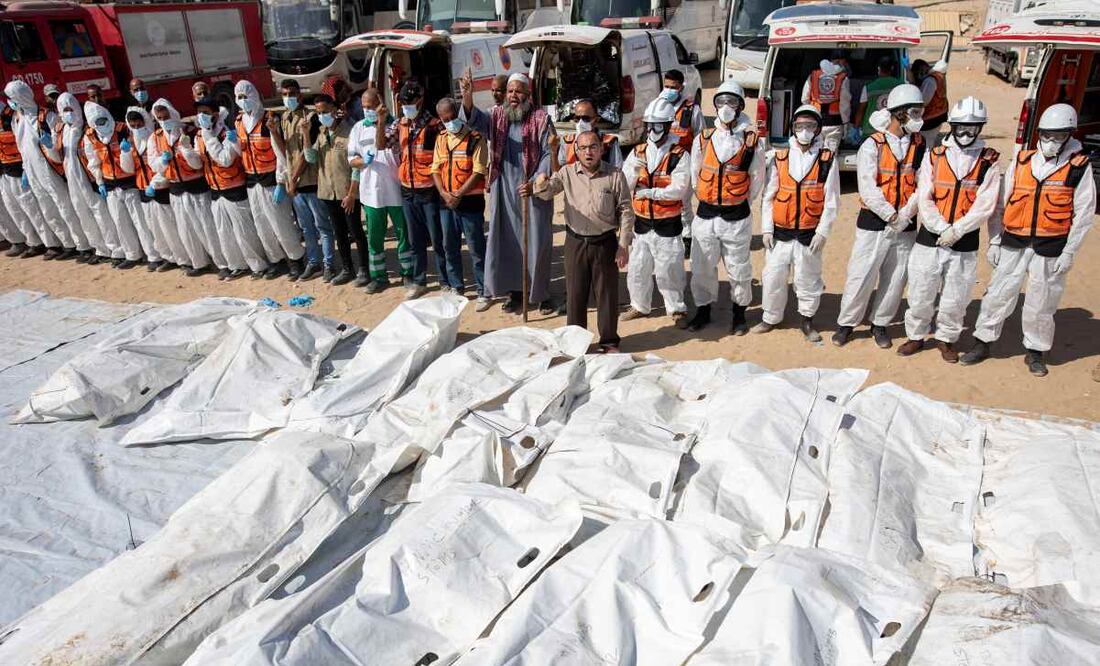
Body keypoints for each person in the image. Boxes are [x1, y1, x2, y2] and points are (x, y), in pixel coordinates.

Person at [960, 104, 1095, 376]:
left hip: (1050, 246)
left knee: (1042, 300)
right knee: (998, 294)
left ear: (1069, 135)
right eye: (1046, 135)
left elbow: (1084, 213)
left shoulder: (1078, 167)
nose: (1051, 141)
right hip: (1014, 240)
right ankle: (983, 341)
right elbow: (1000, 205)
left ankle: (1035, 351)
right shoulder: (1022, 161)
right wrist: (995, 240)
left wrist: (1069, 252)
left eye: (1058, 136)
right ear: (1039, 133)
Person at [899, 97, 1001, 362]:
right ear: (952, 127)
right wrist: (941, 227)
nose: (966, 134)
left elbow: (985, 204)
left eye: (973, 128)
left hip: (964, 241)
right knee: (921, 289)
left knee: (956, 296)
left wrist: (957, 230)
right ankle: (916, 335)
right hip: (930, 237)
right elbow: (925, 195)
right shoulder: (935, 156)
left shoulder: (989, 162)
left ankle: (946, 339)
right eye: (961, 128)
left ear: (980, 128)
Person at [832, 84, 926, 349]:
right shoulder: (872, 145)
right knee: (861, 274)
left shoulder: (920, 145)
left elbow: (923, 184)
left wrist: (905, 216)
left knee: (896, 276)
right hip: (874, 222)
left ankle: (880, 323)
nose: (919, 117)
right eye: (914, 112)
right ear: (899, 114)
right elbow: (867, 187)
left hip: (905, 224)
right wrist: (890, 215)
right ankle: (847, 323)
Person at [529, 130, 633, 352]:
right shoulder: (566, 173)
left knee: (606, 294)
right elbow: (547, 193)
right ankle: (575, 343)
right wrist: (540, 183)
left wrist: (623, 245)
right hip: (575, 242)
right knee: (575, 294)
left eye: (593, 147)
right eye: (583, 148)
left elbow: (625, 210)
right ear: (576, 151)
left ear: (601, 149)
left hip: (605, 243)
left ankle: (608, 341)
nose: (588, 152)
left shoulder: (615, 175)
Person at [753, 105, 839, 342]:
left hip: (808, 235)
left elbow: (831, 202)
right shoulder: (780, 158)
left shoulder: (826, 160)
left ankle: (807, 320)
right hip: (780, 233)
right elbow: (768, 198)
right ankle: (770, 317)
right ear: (792, 128)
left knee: (808, 279)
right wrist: (767, 229)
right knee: (772, 277)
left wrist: (822, 232)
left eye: (810, 126)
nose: (804, 131)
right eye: (800, 126)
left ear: (818, 129)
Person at [686, 80, 765, 334]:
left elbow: (757, 180)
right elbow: (694, 174)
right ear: (715, 105)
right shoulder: (703, 138)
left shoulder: (752, 142)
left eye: (732, 101)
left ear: (741, 106)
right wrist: (710, 198)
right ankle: (703, 311)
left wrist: (735, 199)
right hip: (706, 214)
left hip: (736, 217)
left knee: (739, 268)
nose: (726, 107)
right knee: (701, 266)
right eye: (721, 102)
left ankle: (739, 314)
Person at [620, 98, 690, 327]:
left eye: (657, 126)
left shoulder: (679, 155)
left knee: (669, 268)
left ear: (668, 125)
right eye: (648, 125)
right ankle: (639, 305)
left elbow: (678, 190)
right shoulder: (638, 152)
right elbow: (624, 182)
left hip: (667, 223)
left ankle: (676, 307)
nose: (651, 131)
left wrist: (650, 193)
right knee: (638, 267)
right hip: (641, 223)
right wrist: (635, 177)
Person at [234, 79, 305, 279]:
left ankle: (295, 259)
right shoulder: (239, 122)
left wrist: (282, 181)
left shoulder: (269, 119)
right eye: (239, 98)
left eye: (246, 96)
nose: (243, 101)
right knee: (262, 224)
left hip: (271, 181)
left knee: (280, 223)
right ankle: (276, 260)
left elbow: (280, 154)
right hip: (251, 181)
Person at [3, 80, 81, 260]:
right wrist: (25, 170)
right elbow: (21, 146)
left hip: (49, 169)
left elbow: (58, 144)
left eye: (12, 98)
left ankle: (79, 244)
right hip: (31, 170)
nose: (10, 102)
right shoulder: (17, 118)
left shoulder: (45, 116)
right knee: (46, 209)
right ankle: (62, 244)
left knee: (63, 206)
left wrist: (50, 145)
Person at [84, 100, 163, 271]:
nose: (101, 125)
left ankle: (153, 255)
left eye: (103, 120)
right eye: (97, 123)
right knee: (120, 222)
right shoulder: (91, 136)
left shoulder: (123, 130)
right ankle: (132, 254)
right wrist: (99, 181)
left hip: (129, 183)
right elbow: (93, 162)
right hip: (110, 185)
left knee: (140, 221)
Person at [150, 97, 226, 277]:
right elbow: (153, 164)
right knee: (186, 230)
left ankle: (222, 263)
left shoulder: (191, 132)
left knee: (207, 227)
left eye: (166, 116)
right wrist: (162, 161)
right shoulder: (156, 137)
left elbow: (198, 163)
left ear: (173, 113)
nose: (164, 120)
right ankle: (199, 263)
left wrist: (185, 150)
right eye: (160, 118)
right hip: (176, 189)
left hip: (196, 187)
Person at [348, 88, 412, 293]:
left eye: (370, 107)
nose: (367, 111)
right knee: (374, 237)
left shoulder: (396, 124)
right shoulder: (358, 128)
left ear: (380, 104)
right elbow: (352, 160)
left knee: (404, 233)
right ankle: (379, 277)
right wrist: (361, 163)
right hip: (371, 193)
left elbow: (382, 146)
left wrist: (381, 122)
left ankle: (408, 274)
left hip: (395, 188)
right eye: (364, 107)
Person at [51, 92, 125, 266]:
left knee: (100, 213)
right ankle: (99, 248)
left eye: (71, 108)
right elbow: (59, 155)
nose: (69, 113)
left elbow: (94, 156)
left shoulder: (87, 128)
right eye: (65, 110)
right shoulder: (62, 130)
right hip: (72, 176)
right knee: (82, 212)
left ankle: (115, 249)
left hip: (88, 177)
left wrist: (98, 179)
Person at [391, 80, 448, 300]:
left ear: (420, 101)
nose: (407, 106)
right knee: (415, 240)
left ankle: (444, 281)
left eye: (410, 102)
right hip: (407, 190)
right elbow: (381, 143)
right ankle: (419, 280)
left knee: (437, 239)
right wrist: (380, 120)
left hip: (430, 191)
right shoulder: (400, 124)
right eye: (404, 102)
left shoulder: (435, 125)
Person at [432, 96, 490, 309]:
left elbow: (478, 171)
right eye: (444, 119)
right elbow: (435, 169)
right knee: (450, 246)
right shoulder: (441, 138)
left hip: (470, 203)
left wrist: (458, 195)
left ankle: (484, 290)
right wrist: (445, 194)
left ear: (459, 114)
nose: (449, 122)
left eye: (452, 117)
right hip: (446, 203)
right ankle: (457, 287)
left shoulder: (475, 138)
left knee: (476, 248)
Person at [307, 91, 365, 286]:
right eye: (318, 112)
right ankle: (347, 269)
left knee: (356, 231)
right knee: (339, 232)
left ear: (334, 110)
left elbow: (356, 166)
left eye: (324, 111)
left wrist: (351, 194)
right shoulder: (322, 134)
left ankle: (364, 270)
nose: (321, 115)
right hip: (328, 193)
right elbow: (311, 158)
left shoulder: (349, 132)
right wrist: (307, 135)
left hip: (347, 193)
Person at [278, 79, 332, 282]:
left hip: (309, 180)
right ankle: (313, 262)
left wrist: (293, 179)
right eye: (284, 94)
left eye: (292, 93)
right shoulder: (285, 117)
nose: (288, 98)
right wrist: (274, 131)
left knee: (322, 226)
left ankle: (328, 264)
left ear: (300, 94)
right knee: (306, 227)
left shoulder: (310, 118)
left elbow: (305, 154)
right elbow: (286, 150)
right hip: (295, 184)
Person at [126, 105, 186, 272]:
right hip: (143, 189)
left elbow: (160, 166)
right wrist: (125, 153)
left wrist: (154, 184)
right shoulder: (132, 143)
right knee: (155, 229)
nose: (137, 129)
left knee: (169, 227)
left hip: (160, 188)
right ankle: (166, 257)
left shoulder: (154, 139)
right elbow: (131, 168)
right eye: (133, 126)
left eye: (139, 124)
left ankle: (181, 258)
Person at [659, 69, 704, 256]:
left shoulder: (691, 109)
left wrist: (697, 167)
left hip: (684, 164)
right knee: (666, 201)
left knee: (684, 203)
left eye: (673, 87)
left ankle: (687, 237)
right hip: (663, 164)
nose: (669, 90)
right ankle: (671, 236)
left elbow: (701, 139)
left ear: (681, 87)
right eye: (666, 86)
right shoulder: (659, 106)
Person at [0, 96, 47, 258]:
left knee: (30, 208)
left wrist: (25, 168)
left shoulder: (11, 116)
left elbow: (22, 143)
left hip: (19, 169)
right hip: (4, 170)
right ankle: (28, 240)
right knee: (14, 209)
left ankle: (41, 242)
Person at [550, 99, 622, 172]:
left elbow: (617, 172)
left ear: (596, 120)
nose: (581, 123)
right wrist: (553, 151)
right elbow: (558, 175)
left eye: (586, 118)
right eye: (577, 118)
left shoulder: (609, 142)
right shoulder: (567, 141)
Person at [803, 52, 851, 152]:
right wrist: (846, 124)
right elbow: (844, 105)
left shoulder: (813, 76)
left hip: (816, 122)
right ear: (840, 62)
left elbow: (804, 99)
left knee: (815, 154)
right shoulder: (843, 78)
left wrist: (808, 118)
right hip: (835, 123)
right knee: (831, 156)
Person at [855, 57, 903, 140]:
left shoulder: (868, 88)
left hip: (871, 132)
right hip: (893, 131)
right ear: (892, 68)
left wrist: (856, 127)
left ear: (878, 68)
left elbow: (861, 110)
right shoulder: (900, 85)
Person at [912, 59, 948, 147]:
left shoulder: (930, 81)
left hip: (930, 119)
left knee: (926, 145)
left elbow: (924, 101)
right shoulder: (939, 77)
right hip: (939, 116)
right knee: (930, 141)